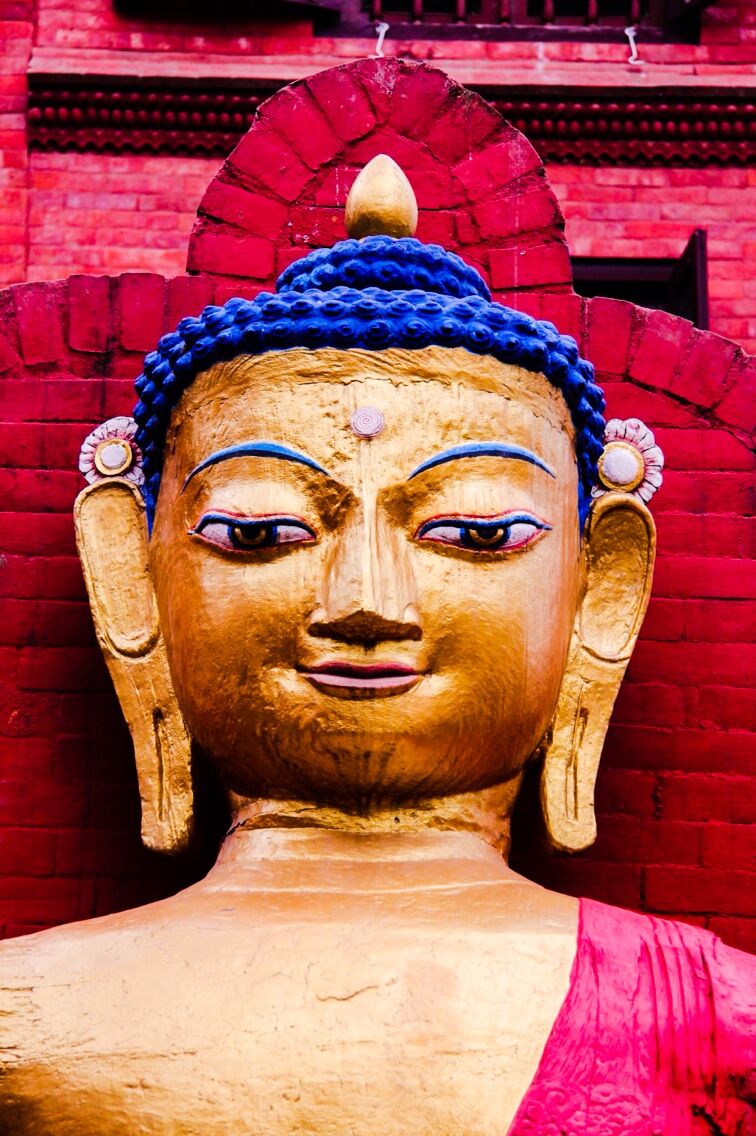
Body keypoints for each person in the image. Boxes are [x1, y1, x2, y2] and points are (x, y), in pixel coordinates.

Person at [0, 158, 752, 1136]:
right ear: (132, 582)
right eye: (261, 532)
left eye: (476, 533)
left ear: (599, 592)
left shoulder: (712, 1020)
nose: (363, 602)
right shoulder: (26, 1019)